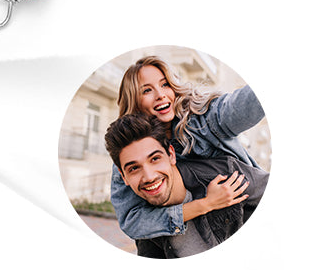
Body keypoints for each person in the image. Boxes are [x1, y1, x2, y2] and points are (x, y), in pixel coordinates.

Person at [108, 56, 265, 243]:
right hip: (190, 236)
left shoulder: (203, 119)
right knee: (148, 240)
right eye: (147, 90)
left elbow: (241, 106)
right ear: (134, 101)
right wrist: (205, 204)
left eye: (165, 84)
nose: (160, 95)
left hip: (243, 214)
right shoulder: (129, 155)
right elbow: (132, 221)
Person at [104, 114, 268, 257]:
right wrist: (206, 204)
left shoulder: (225, 174)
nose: (149, 177)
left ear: (171, 155)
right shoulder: (147, 231)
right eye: (134, 168)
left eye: (155, 159)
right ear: (124, 177)